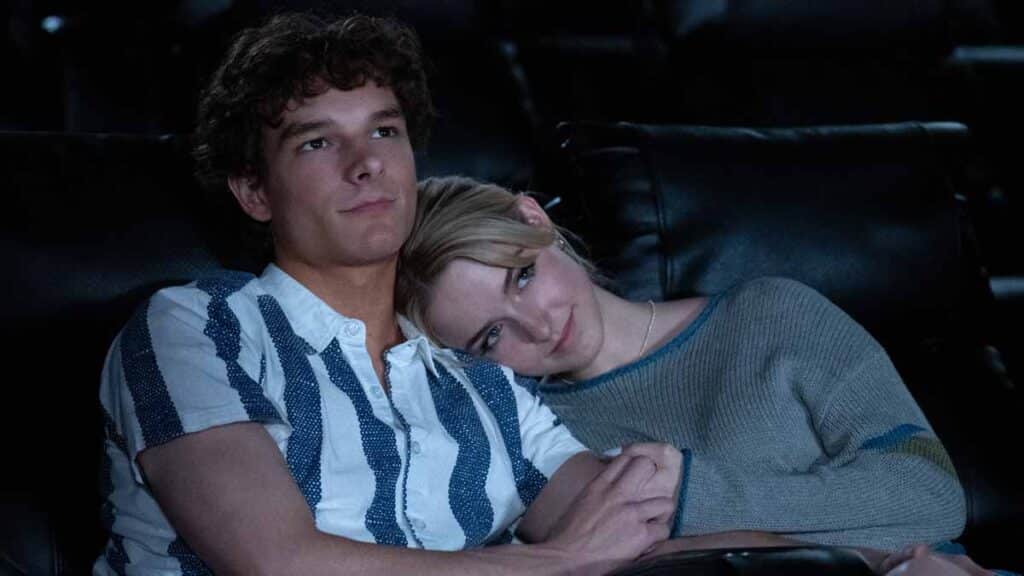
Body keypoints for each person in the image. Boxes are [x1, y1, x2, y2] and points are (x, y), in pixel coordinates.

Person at [95, 13, 684, 576]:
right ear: (255, 192)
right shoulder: (197, 328)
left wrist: (680, 502)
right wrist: (562, 562)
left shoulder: (480, 378)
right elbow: (276, 564)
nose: (367, 164)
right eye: (317, 143)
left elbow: (633, 538)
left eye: (384, 131)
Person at [396, 175, 968, 554]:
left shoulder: (771, 313)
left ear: (534, 219)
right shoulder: (536, 445)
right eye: (493, 335)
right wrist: (873, 556)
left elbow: (933, 497)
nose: (539, 328)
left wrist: (690, 495)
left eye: (522, 277)